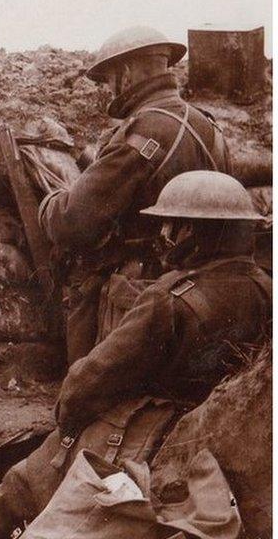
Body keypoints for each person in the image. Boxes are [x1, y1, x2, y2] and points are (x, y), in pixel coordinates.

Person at [0, 171, 271, 539]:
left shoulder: (169, 299)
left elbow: (90, 380)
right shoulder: (265, 290)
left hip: (146, 426)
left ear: (193, 232)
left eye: (173, 226)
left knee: (25, 483)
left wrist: (69, 415)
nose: (165, 237)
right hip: (211, 428)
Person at [39, 26, 232, 365]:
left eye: (109, 79)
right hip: (205, 295)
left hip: (142, 298)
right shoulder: (209, 128)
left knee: (89, 393)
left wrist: (49, 202)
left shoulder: (141, 131)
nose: (108, 89)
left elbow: (72, 223)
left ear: (126, 75)